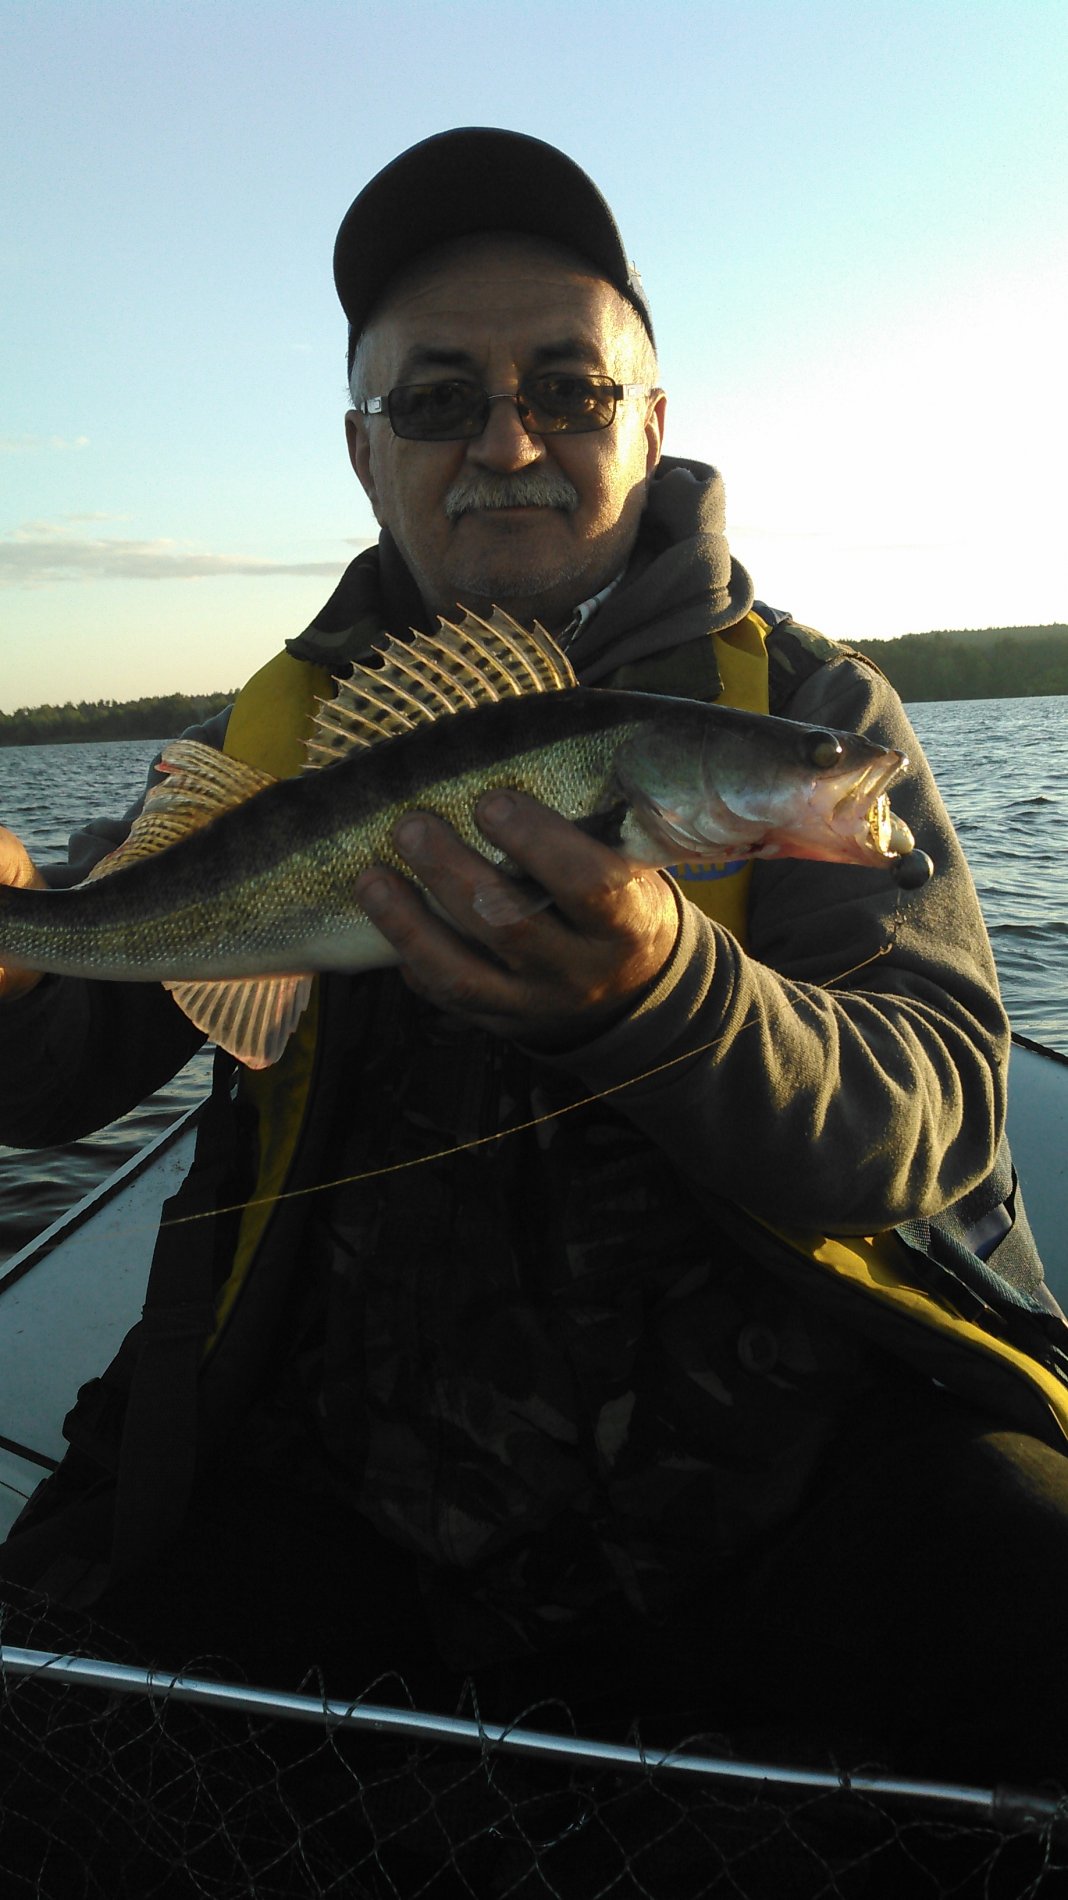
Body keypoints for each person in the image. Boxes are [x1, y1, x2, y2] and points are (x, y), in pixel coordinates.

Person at [2, 128, 1068, 1795]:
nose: (507, 441)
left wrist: (669, 1001)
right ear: (365, 454)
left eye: (568, 390)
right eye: (438, 399)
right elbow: (54, 1069)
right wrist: (14, 964)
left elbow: (934, 1122)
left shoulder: (810, 714)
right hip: (343, 1481)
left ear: (650, 423)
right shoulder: (267, 750)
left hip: (776, 1488)